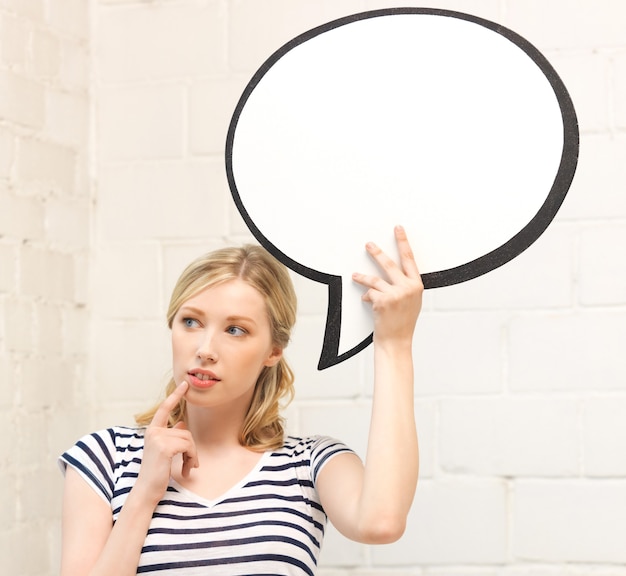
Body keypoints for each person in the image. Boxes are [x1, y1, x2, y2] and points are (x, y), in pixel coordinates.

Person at [59, 225, 423, 576]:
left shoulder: (308, 464)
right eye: (190, 322)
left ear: (273, 351)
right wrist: (144, 493)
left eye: (235, 330)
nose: (205, 350)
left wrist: (394, 344)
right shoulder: (105, 456)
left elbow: (381, 524)